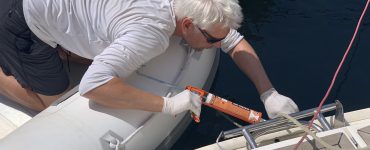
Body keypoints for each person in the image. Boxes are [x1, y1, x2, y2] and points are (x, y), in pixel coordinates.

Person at [0, 0, 298, 119]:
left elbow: (233, 42)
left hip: (56, 10)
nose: (217, 45)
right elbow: (93, 86)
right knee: (51, 101)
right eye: (211, 41)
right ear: (187, 26)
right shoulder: (151, 34)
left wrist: (267, 92)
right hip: (22, 19)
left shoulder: (187, 7)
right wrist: (167, 105)